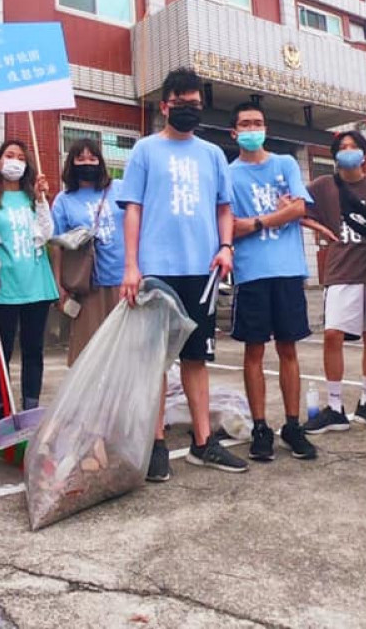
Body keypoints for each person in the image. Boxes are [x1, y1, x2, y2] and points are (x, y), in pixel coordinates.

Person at [119, 68, 248, 480]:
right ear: (164, 107)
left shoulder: (212, 155)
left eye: (195, 105)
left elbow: (224, 208)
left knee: (196, 357)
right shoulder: (144, 151)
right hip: (156, 271)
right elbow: (133, 208)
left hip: (202, 270)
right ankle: (155, 443)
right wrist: (131, 265)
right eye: (181, 105)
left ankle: (202, 443)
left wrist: (226, 247)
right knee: (154, 360)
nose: (189, 111)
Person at [226, 101, 317, 461]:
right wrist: (281, 213)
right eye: (245, 123)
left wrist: (258, 222)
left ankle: (292, 425)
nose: (253, 128)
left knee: (289, 349)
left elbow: (300, 208)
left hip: (288, 269)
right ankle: (260, 426)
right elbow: (231, 225)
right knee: (253, 352)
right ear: (234, 133)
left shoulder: (285, 164)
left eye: (258, 123)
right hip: (250, 273)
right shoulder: (228, 174)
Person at [301, 130, 366, 434]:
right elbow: (296, 207)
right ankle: (335, 406)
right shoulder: (325, 185)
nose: (348, 151)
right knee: (332, 334)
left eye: (354, 147)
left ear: (365, 154)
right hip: (341, 269)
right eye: (342, 147)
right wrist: (320, 228)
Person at [0, 139, 57, 418]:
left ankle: (30, 408)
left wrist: (41, 200)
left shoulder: (32, 197)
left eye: (20, 157)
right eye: (9, 155)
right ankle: (2, 411)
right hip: (3, 286)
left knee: (33, 350)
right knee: (0, 351)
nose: (14, 161)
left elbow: (47, 233)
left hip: (36, 284)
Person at [51, 137, 126, 365]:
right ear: (71, 163)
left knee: (125, 349)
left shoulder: (119, 188)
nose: (87, 163)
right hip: (88, 283)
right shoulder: (63, 201)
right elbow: (57, 245)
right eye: (80, 158)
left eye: (93, 158)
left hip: (123, 279)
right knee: (89, 351)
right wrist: (58, 285)